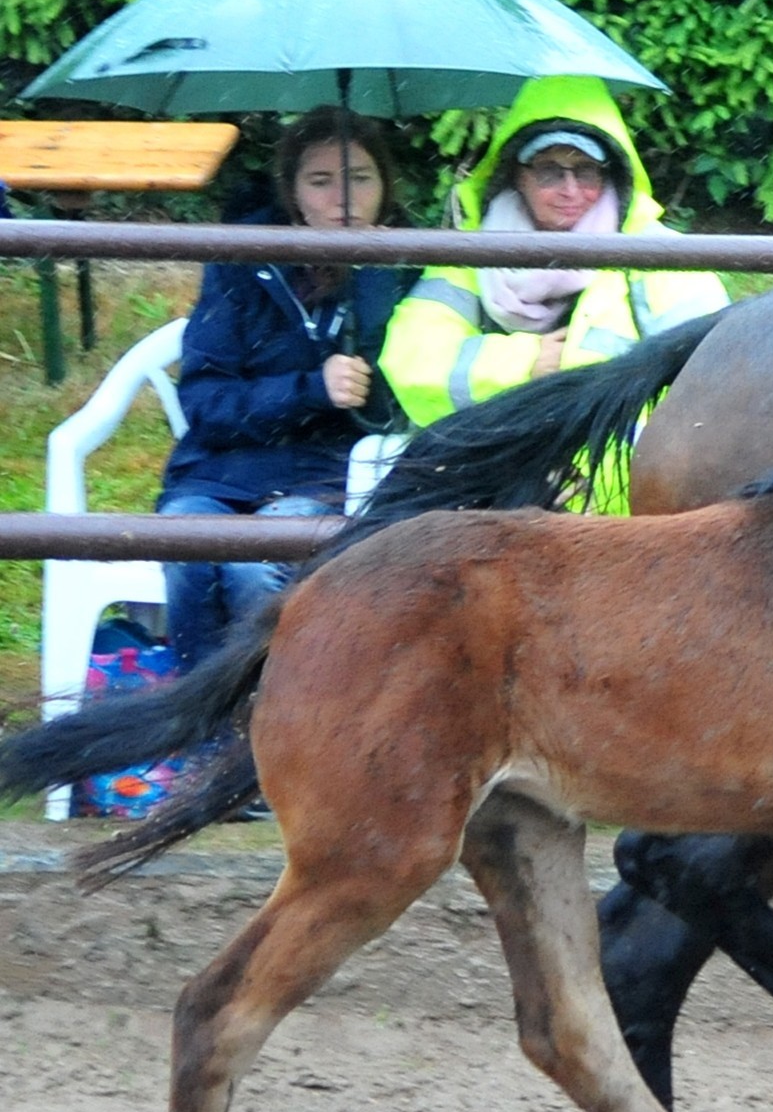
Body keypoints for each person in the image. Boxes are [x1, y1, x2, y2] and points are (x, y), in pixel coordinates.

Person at [160, 108, 408, 671]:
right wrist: (310, 389)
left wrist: (373, 280)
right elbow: (204, 402)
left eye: (360, 178)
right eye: (320, 181)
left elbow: (397, 407)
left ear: (386, 186)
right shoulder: (241, 262)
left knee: (256, 569)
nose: (343, 198)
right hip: (218, 472)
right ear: (293, 192)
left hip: (329, 477)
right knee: (188, 555)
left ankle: (269, 709)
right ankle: (194, 707)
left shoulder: (411, 265)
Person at [379, 75, 728, 424]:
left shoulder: (660, 254)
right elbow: (411, 360)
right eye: (549, 171)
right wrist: (525, 363)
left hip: (610, 457)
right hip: (495, 451)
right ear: (517, 174)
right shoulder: (473, 250)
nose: (570, 190)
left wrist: (576, 382)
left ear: (611, 175)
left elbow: (714, 374)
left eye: (586, 171)